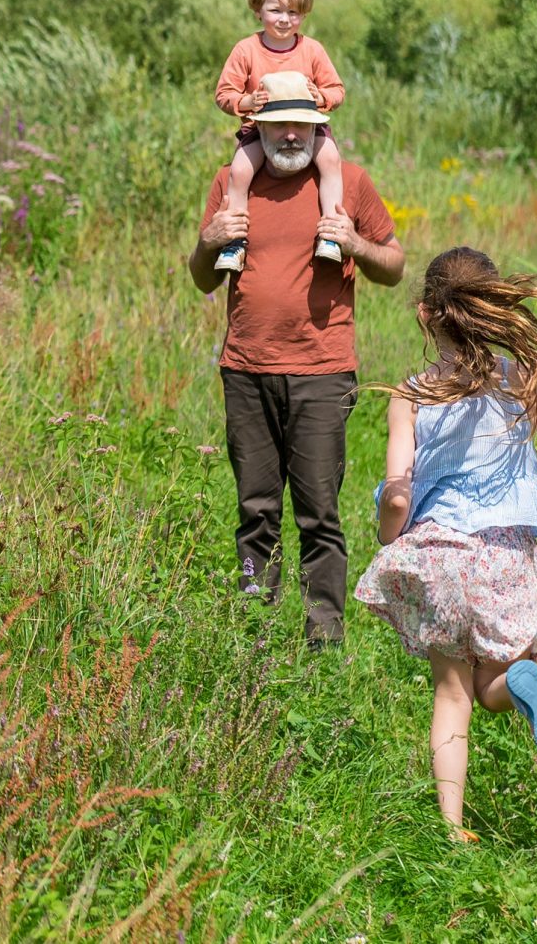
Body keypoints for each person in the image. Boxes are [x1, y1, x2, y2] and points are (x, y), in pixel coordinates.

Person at [354, 246, 537, 842]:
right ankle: (521, 681)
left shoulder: (411, 393)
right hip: (503, 557)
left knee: (452, 693)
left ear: (425, 315)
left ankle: (451, 830)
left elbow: (398, 493)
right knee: (495, 685)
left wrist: (390, 540)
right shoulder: (517, 378)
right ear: (493, 312)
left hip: (439, 555)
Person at [189, 72, 405, 649]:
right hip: (246, 369)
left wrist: (354, 243)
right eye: (279, 124)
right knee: (255, 509)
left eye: (302, 125)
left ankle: (323, 638)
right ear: (256, 126)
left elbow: (394, 265)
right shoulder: (231, 182)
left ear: (319, 127)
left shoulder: (349, 184)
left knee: (318, 512)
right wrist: (210, 240)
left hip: (322, 372)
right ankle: (253, 628)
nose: (291, 135)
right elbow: (202, 279)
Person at [214, 0, 345, 272]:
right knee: (240, 171)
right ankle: (235, 242)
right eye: (276, 10)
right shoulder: (246, 49)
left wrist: (321, 97)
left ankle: (331, 233)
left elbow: (337, 89)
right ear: (258, 10)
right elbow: (223, 94)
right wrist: (247, 101)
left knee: (331, 161)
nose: (285, 19)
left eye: (294, 12)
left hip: (307, 128)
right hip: (260, 128)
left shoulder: (312, 49)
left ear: (304, 14)